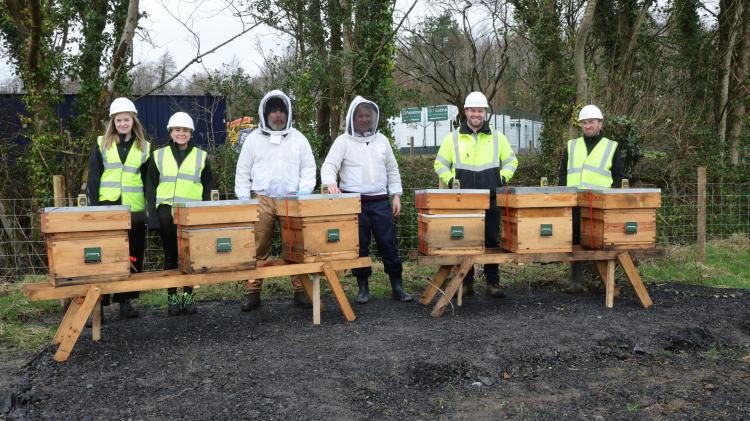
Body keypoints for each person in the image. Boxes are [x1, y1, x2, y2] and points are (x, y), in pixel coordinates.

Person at [321, 96, 412, 303]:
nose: (364, 119)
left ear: (373, 117)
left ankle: (397, 286)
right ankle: (363, 288)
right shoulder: (343, 141)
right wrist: (330, 183)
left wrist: (396, 195)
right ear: (353, 118)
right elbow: (329, 165)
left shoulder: (382, 141)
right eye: (360, 115)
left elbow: (392, 169)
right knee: (359, 247)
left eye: (367, 115)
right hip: (353, 203)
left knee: (388, 244)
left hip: (380, 202)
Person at [234, 90, 317, 312]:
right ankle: (253, 292)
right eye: (274, 111)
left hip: (291, 199)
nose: (278, 115)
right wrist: (244, 201)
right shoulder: (252, 140)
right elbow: (242, 171)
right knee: (258, 247)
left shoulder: (299, 139)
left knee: (295, 246)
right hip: (262, 199)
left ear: (287, 113)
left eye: (281, 111)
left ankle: (301, 290)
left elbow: (309, 169)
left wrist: (303, 194)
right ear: (265, 113)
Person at [433, 91, 518, 298]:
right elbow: (440, 164)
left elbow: (511, 162)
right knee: (466, 242)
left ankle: (493, 283)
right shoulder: (453, 138)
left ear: (485, 113)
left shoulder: (498, 138)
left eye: (480, 111)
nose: (476, 114)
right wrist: (452, 180)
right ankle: (466, 284)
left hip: (490, 198)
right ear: (466, 112)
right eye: (473, 110)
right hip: (462, 200)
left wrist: (501, 179)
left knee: (491, 240)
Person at [86, 97, 150, 319]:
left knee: (132, 256)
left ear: (134, 121)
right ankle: (99, 304)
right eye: (119, 120)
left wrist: (149, 210)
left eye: (127, 119)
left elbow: (148, 181)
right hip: (107, 206)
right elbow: (93, 179)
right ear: (113, 122)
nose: (123, 123)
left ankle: (125, 301)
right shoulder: (101, 144)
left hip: (135, 209)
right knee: (105, 256)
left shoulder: (144, 147)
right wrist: (94, 210)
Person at [146, 112, 214, 315]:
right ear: (170, 132)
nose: (181, 133)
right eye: (177, 130)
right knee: (170, 257)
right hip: (166, 212)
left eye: (185, 130)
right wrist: (154, 216)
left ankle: (188, 298)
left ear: (191, 133)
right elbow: (150, 187)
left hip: (192, 213)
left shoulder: (201, 156)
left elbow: (208, 186)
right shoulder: (158, 155)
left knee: (189, 258)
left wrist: (206, 215)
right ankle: (173, 299)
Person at [558, 104, 625, 292]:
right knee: (575, 241)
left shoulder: (611, 147)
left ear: (600, 124)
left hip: (599, 204)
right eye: (584, 123)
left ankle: (604, 282)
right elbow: (563, 174)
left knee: (601, 241)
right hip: (575, 201)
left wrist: (610, 202)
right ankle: (576, 281)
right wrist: (563, 197)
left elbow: (618, 178)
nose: (587, 126)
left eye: (591, 122)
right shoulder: (572, 146)